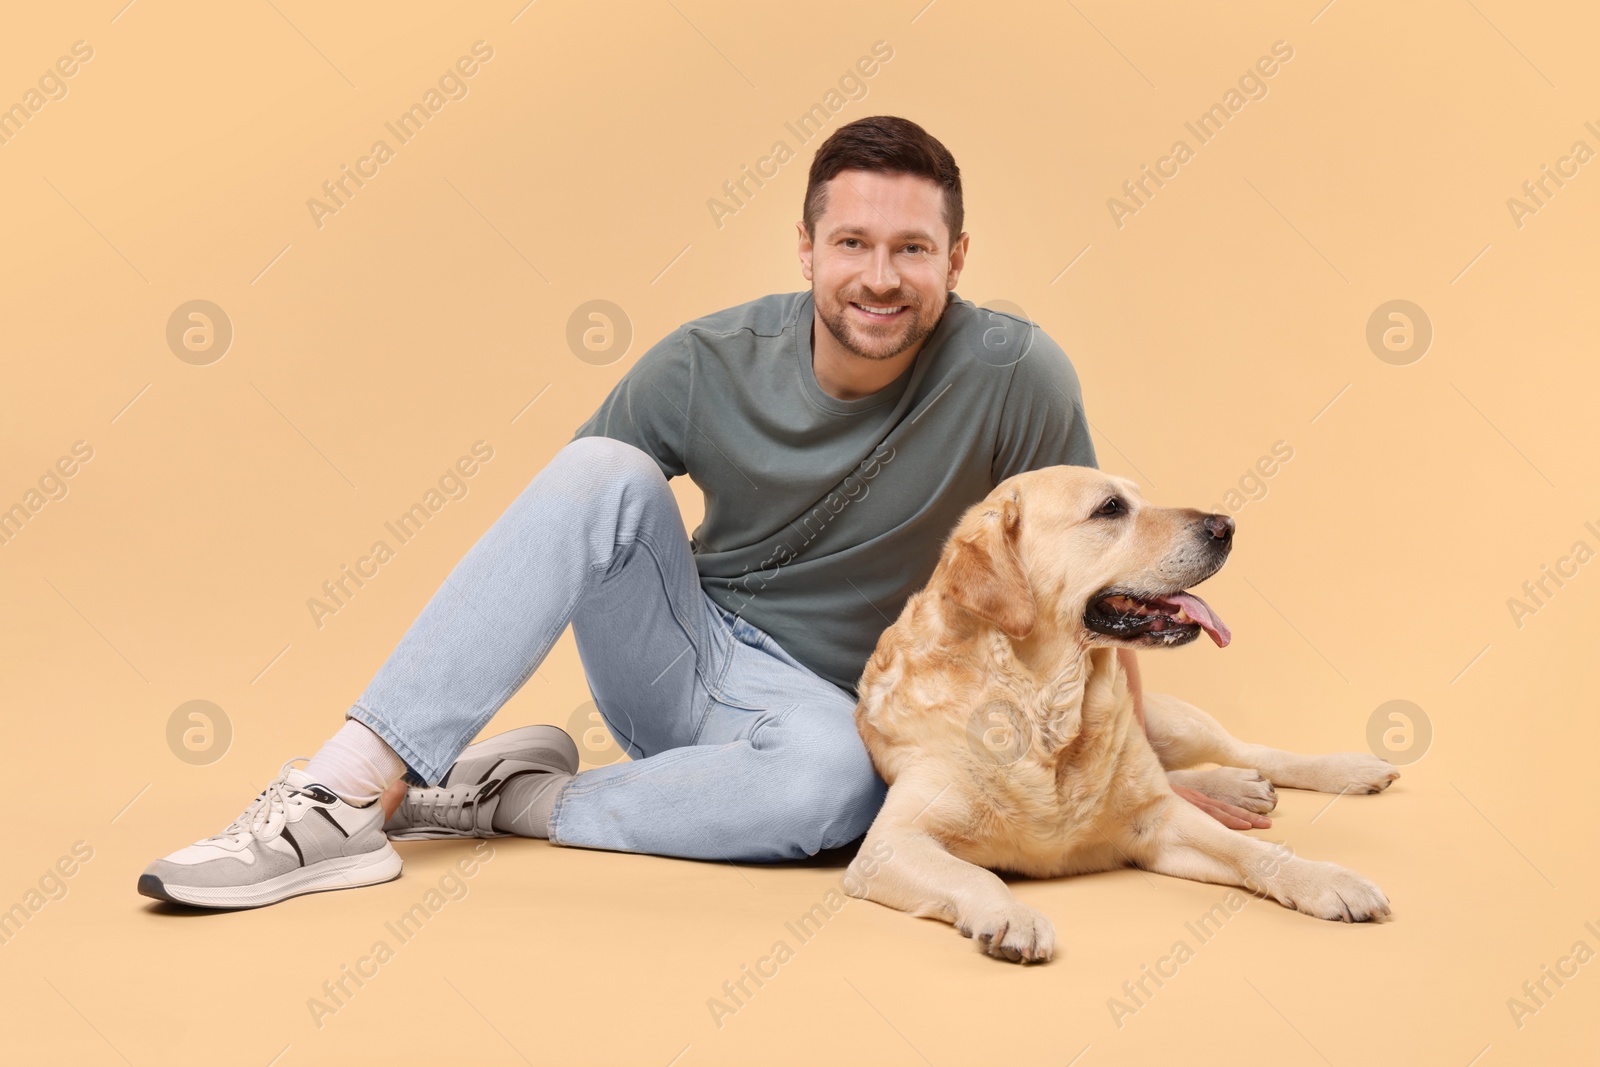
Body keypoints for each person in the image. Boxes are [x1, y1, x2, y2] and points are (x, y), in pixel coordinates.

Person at [138, 115, 1265, 910]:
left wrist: (1130, 784)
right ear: (808, 249)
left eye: (912, 248)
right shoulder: (707, 361)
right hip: (689, 661)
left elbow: (1091, 594)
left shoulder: (1021, 376)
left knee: (833, 784)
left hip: (856, 724)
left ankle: (507, 799)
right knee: (602, 474)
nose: (881, 276)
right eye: (854, 244)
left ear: (956, 259)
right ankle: (346, 786)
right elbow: (568, 529)